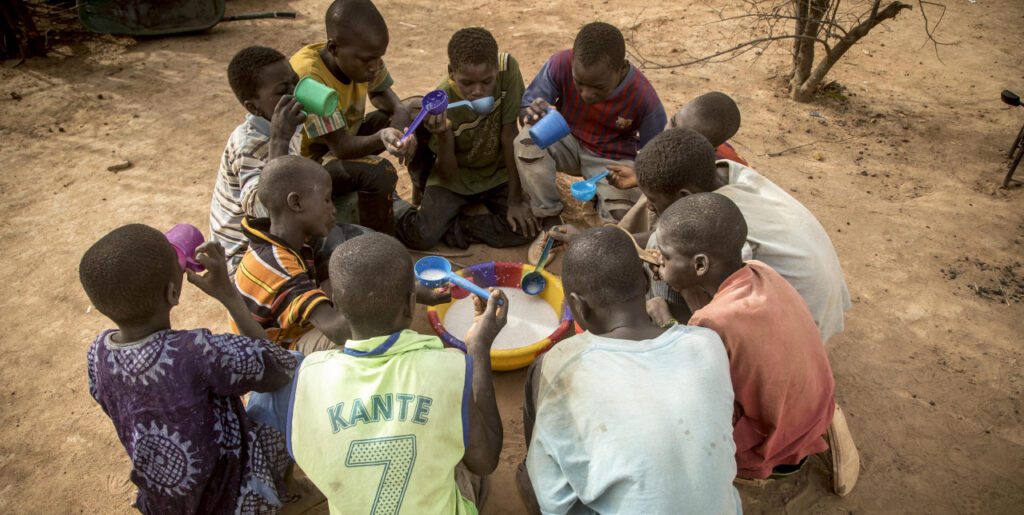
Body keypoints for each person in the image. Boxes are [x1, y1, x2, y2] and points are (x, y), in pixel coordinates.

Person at [521, 227, 741, 514]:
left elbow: (553, 502)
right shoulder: (707, 343)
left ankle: (529, 466)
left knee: (531, 479)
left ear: (577, 305)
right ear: (647, 281)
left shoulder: (564, 361)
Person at [81, 224, 298, 514]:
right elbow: (280, 366)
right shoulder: (197, 351)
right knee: (295, 374)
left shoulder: (97, 353)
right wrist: (228, 295)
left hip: (167, 505)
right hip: (236, 501)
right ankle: (272, 493)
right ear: (173, 293)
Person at [287, 233, 508, 513]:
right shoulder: (448, 368)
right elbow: (486, 460)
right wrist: (478, 347)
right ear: (410, 305)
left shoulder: (309, 377)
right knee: (466, 454)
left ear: (337, 306)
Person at [654, 193, 838, 480]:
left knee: (665, 404)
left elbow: (685, 369)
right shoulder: (761, 271)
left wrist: (664, 320)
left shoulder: (710, 322)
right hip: (816, 414)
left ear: (700, 265)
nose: (661, 264)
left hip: (771, 448)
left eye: (665, 258)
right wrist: (683, 284)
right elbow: (726, 321)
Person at [636, 127, 851, 343]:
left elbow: (730, 306)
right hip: (823, 303)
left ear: (684, 196)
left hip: (798, 331)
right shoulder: (730, 172)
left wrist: (675, 292)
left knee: (667, 257)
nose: (650, 207)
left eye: (653, 201)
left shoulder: (721, 227)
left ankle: (676, 340)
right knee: (671, 251)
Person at [515, 21, 667, 263]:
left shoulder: (643, 96)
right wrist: (533, 114)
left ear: (622, 69)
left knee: (622, 218)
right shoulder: (560, 64)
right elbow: (526, 109)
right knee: (527, 140)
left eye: (598, 87)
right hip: (565, 139)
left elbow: (655, 158)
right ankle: (550, 224)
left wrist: (635, 173)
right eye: (579, 84)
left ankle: (595, 232)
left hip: (610, 159)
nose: (586, 94)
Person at [396, 27, 537, 250]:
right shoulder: (442, 103)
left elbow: (509, 134)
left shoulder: (507, 69)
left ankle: (460, 226)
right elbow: (447, 174)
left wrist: (514, 200)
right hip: (456, 181)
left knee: (529, 225)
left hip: (497, 174)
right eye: (467, 83)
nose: (478, 91)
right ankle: (400, 207)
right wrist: (443, 134)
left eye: (487, 81)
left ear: (495, 71)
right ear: (451, 72)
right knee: (420, 236)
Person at [289, 0, 414, 234]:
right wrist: (383, 135)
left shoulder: (364, 52)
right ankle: (379, 245)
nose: (375, 67)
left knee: (417, 109)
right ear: (333, 48)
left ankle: (419, 200)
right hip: (314, 161)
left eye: (380, 58)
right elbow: (341, 147)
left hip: (347, 136)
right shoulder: (310, 79)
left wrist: (400, 111)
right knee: (380, 171)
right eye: (367, 60)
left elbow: (380, 93)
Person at [233, 156, 353, 354]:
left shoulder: (282, 245)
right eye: (326, 199)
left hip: (286, 334)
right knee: (360, 336)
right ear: (296, 203)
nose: (333, 209)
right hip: (279, 354)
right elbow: (338, 330)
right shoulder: (276, 265)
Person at [211, 46, 307, 276]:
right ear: (253, 107)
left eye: (295, 81)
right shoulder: (248, 145)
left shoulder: (287, 120)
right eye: (283, 90)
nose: (295, 92)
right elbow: (262, 211)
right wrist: (280, 141)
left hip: (273, 234)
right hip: (243, 257)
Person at [611, 91, 749, 235]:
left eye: (683, 136)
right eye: (673, 122)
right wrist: (639, 178)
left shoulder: (712, 199)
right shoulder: (691, 158)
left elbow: (679, 237)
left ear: (710, 147)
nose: (669, 136)